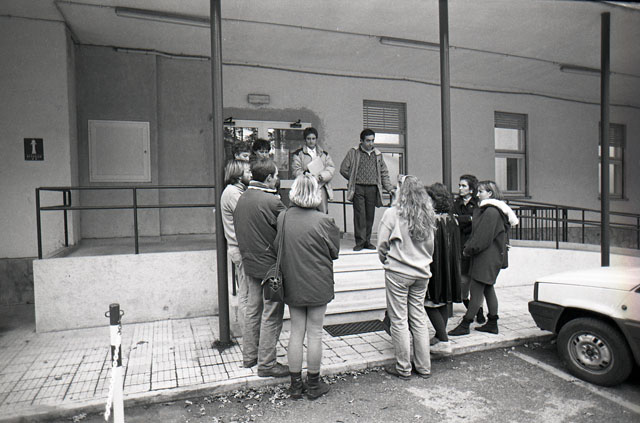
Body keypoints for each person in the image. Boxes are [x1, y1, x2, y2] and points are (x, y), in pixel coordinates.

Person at [276, 174, 340, 400]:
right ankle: (313, 384)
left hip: (292, 281)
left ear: (293, 192)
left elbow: (276, 246)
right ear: (316, 193)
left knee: (296, 332)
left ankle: (295, 386)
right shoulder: (325, 220)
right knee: (315, 332)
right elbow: (334, 252)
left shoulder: (283, 217)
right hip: (318, 283)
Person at [377, 175, 436, 380]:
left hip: (399, 272)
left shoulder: (392, 214)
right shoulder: (428, 215)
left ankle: (403, 368)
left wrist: (386, 260)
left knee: (399, 320)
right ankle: (424, 366)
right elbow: (431, 247)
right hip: (422, 272)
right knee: (418, 318)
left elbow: (382, 244)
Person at [234, 159, 288, 377]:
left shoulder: (242, 198)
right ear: (268, 179)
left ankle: (250, 357)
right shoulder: (273, 202)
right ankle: (266, 364)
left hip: (250, 263)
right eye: (275, 176)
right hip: (271, 268)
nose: (277, 179)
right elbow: (289, 227)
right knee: (272, 313)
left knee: (253, 309)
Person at [448, 180, 519, 336]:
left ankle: (465, 324)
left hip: (485, 258)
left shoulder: (491, 212)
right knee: (488, 288)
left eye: (481, 191)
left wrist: (468, 250)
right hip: (490, 257)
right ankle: (492, 323)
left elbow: (482, 237)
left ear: (490, 193)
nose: (477, 194)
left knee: (476, 291)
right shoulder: (494, 211)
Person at [340, 128, 395, 251]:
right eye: (368, 141)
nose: (371, 143)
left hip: (372, 188)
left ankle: (367, 242)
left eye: (372, 140)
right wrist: (353, 179)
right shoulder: (353, 152)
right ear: (361, 141)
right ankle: (360, 242)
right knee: (360, 215)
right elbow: (343, 169)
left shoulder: (378, 155)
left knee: (370, 215)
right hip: (358, 188)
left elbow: (384, 173)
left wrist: (389, 188)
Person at [425, 182, 462, 345]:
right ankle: (440, 335)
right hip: (449, 265)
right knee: (443, 301)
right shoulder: (452, 219)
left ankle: (443, 338)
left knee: (430, 302)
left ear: (435, 200)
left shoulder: (433, 220)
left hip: (435, 265)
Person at [220, 160, 252, 336]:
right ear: (238, 176)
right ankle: (250, 339)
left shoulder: (236, 191)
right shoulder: (233, 193)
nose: (251, 174)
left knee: (247, 294)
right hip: (240, 248)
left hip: (240, 247)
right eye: (247, 171)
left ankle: (250, 337)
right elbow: (248, 215)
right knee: (246, 296)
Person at [452, 174, 485, 324]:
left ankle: (479, 310)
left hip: (474, 245)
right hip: (460, 244)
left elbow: (478, 222)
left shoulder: (478, 203)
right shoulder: (456, 203)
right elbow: (453, 220)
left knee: (476, 281)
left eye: (463, 186)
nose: (460, 188)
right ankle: (471, 306)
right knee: (463, 280)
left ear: (471, 189)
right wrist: (469, 219)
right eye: (459, 185)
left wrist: (463, 220)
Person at [291, 127, 335, 213]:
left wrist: (322, 176)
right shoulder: (299, 154)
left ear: (316, 139)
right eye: (308, 139)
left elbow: (330, 168)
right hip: (306, 186)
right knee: (307, 211)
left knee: (322, 212)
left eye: (313, 138)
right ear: (305, 140)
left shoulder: (324, 154)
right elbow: (296, 171)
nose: (311, 141)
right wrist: (306, 175)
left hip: (321, 186)